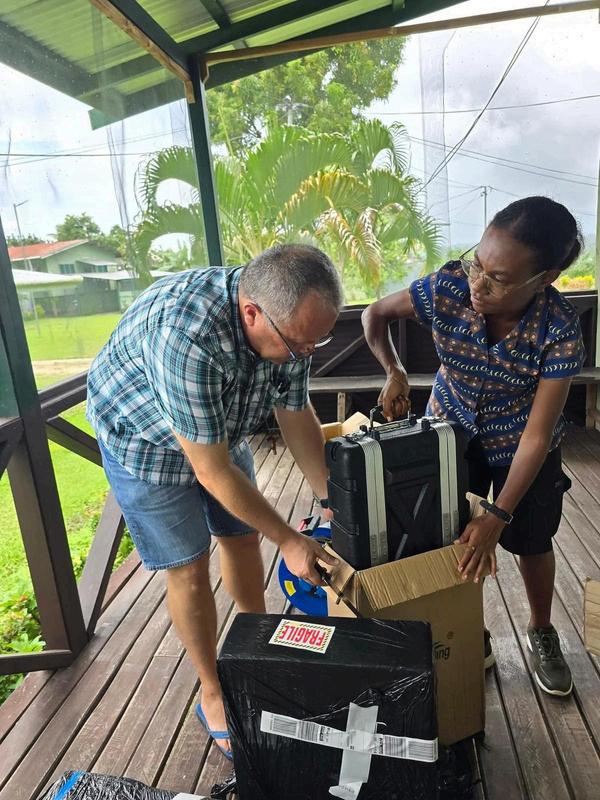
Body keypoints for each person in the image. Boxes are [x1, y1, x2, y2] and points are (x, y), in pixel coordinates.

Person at [86, 244, 342, 758]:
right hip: (143, 442)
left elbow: (295, 415)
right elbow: (211, 471)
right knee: (188, 566)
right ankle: (212, 690)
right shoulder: (187, 335)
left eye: (318, 341)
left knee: (243, 539)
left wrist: (329, 497)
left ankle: (259, 648)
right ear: (251, 314)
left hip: (217, 429)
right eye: (299, 345)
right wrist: (290, 539)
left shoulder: (291, 327)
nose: (307, 353)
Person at [362, 196, 585, 697]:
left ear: (545, 278)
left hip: (521, 446)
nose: (478, 285)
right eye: (476, 264)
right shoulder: (447, 288)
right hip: (450, 433)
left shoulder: (559, 330)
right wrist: (394, 371)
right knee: (445, 537)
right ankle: (465, 627)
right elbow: (374, 315)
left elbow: (537, 435)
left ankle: (542, 630)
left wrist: (498, 515)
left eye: (498, 278)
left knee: (531, 541)